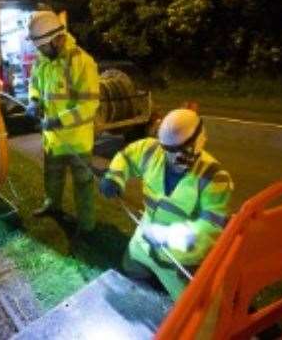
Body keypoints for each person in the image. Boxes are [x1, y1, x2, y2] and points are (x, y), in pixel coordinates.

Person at [99, 108, 234, 300]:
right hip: (144, 244)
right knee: (132, 277)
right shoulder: (152, 150)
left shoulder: (214, 178)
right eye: (167, 150)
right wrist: (114, 177)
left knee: (192, 311)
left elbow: (210, 229)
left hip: (180, 259)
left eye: (178, 152)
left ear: (196, 142)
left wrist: (167, 237)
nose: (170, 158)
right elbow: (126, 157)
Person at [26, 11, 100, 234]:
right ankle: (52, 205)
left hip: (77, 141)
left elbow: (89, 106)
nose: (39, 51)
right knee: (52, 176)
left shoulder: (82, 62)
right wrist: (34, 100)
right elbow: (35, 84)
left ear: (57, 38)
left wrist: (58, 121)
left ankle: (86, 225)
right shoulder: (43, 60)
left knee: (83, 184)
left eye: (42, 47)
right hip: (53, 139)